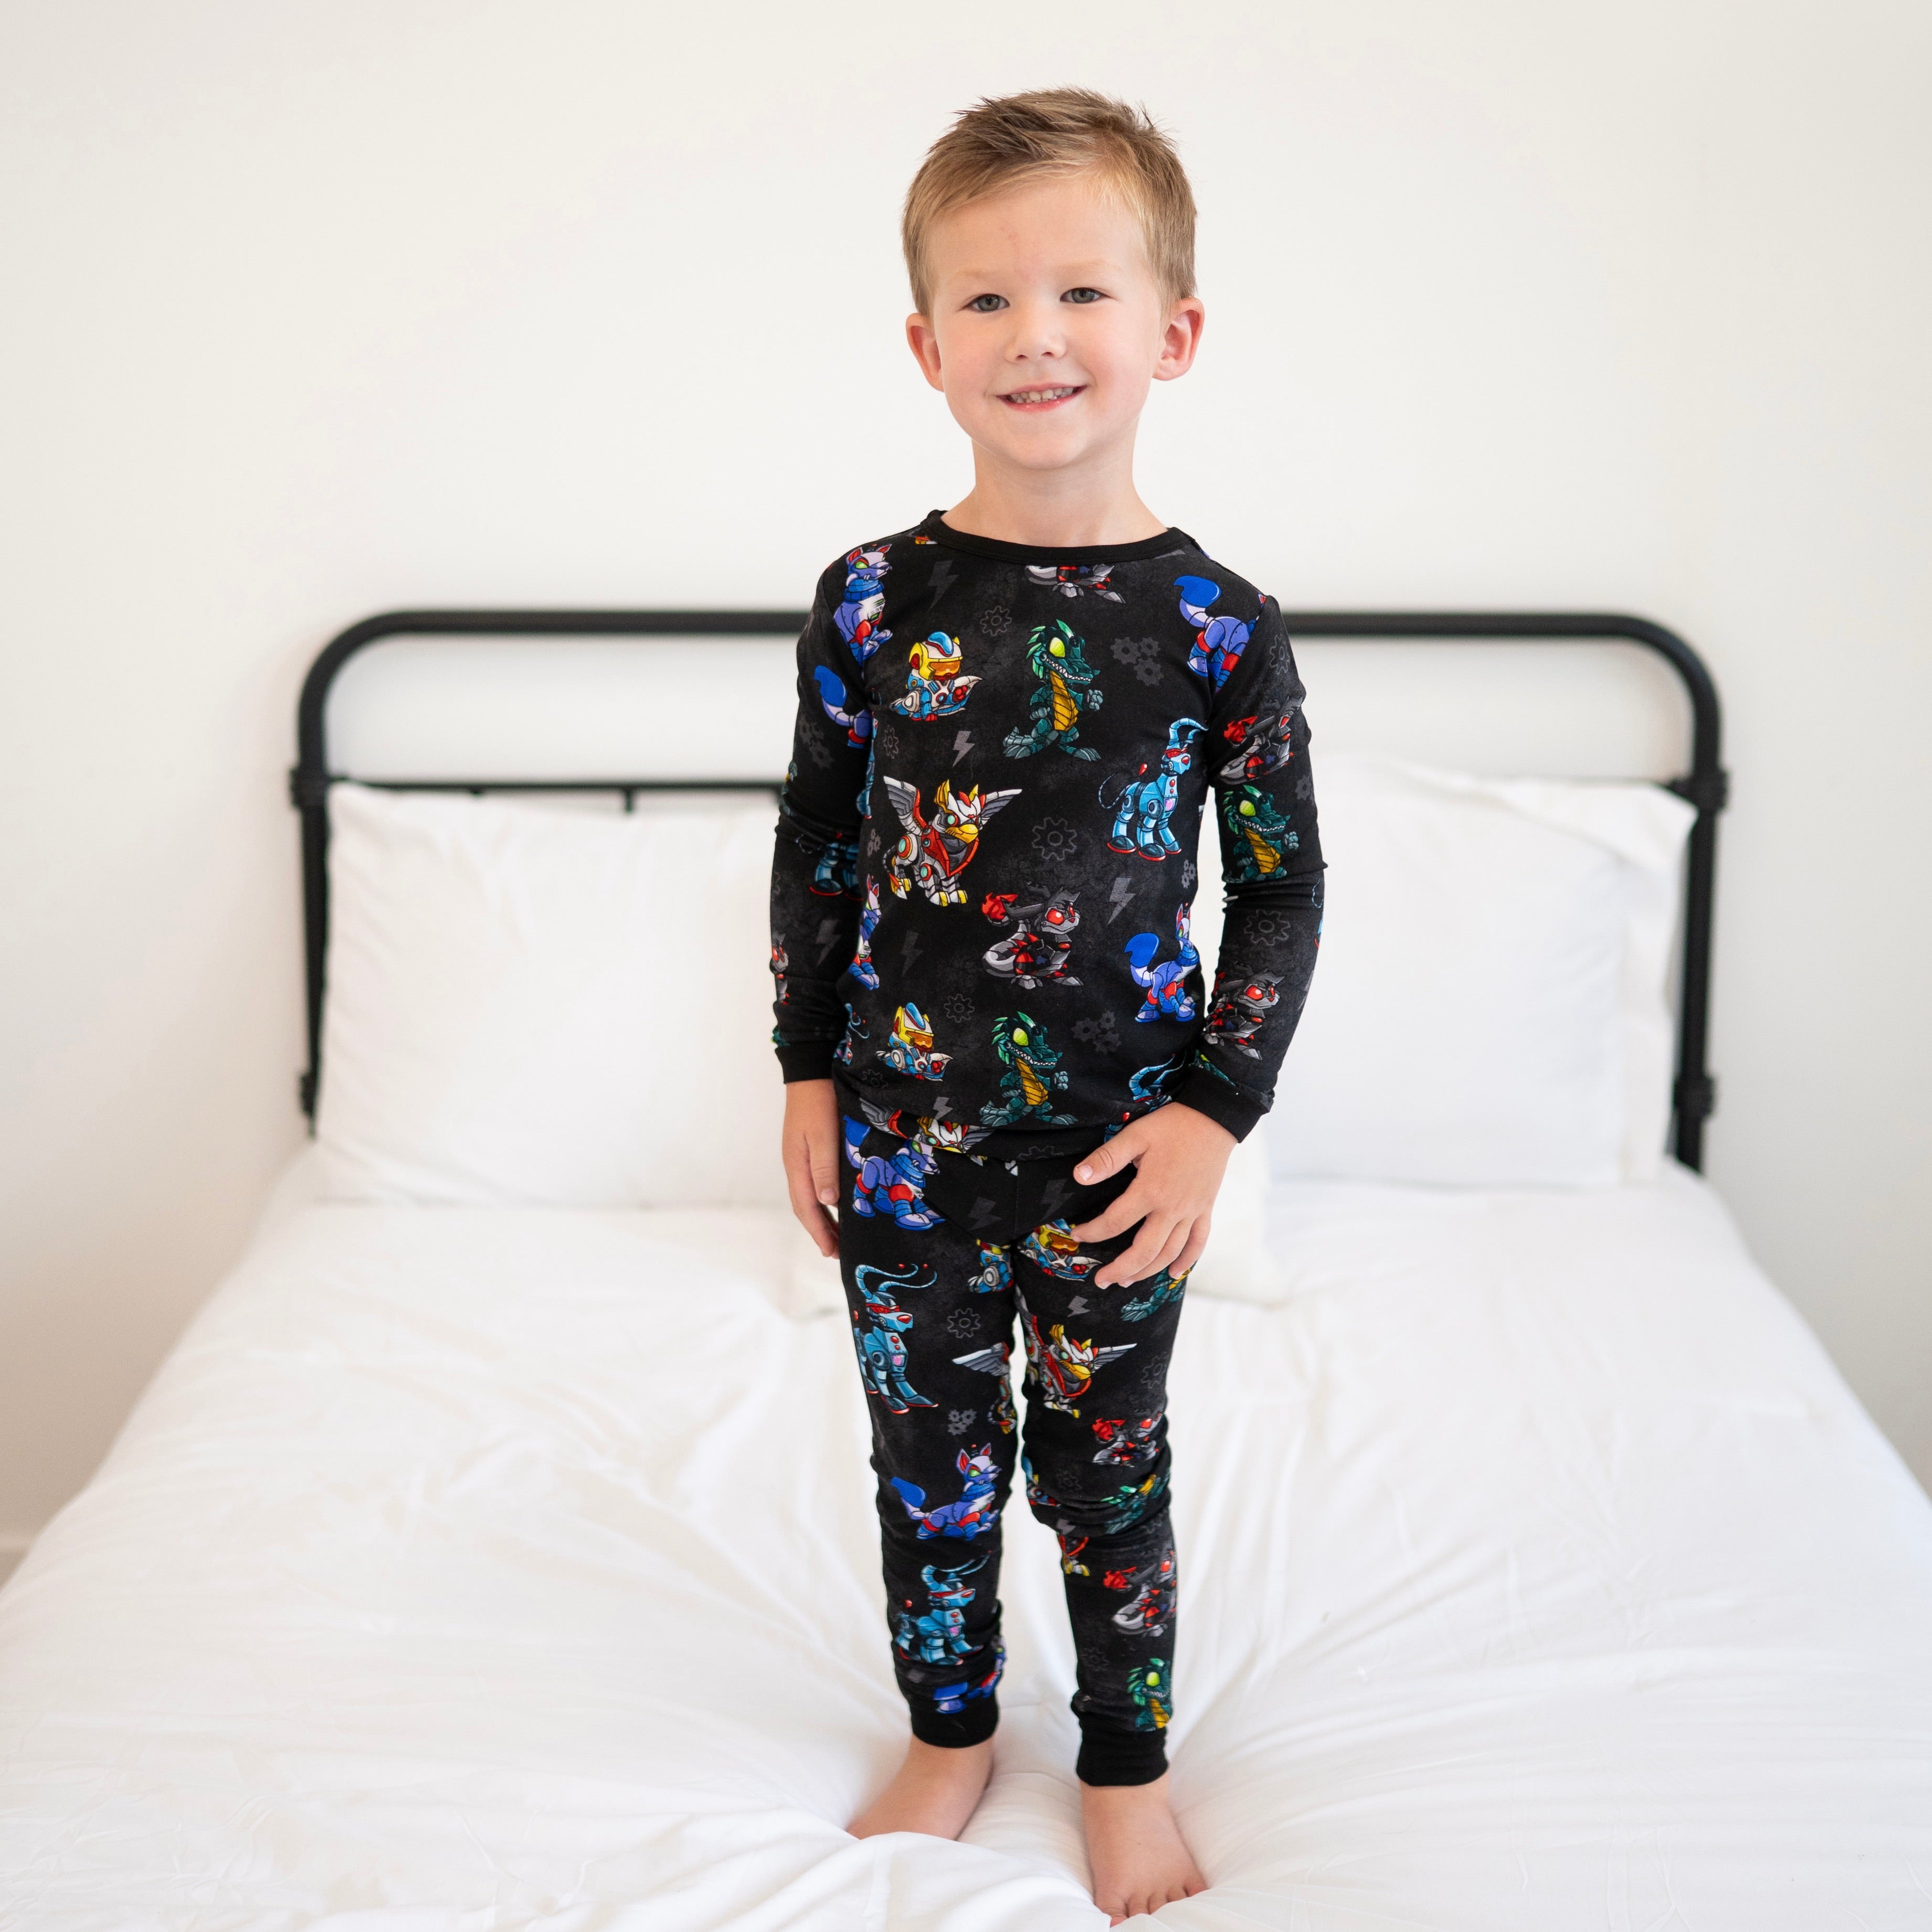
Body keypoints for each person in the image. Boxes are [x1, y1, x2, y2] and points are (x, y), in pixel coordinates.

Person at [767, 87, 1324, 1925]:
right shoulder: (872, 600)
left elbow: (1285, 881)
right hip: (910, 1144)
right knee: (929, 1467)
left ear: (1169, 332)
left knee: (1106, 1475)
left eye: (1081, 292)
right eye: (988, 304)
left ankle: (1124, 1763)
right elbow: (821, 842)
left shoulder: (1220, 628)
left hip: (1114, 1149)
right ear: (927, 348)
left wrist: (1214, 1108)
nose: (1037, 337)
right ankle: (948, 1730)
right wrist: (805, 1078)